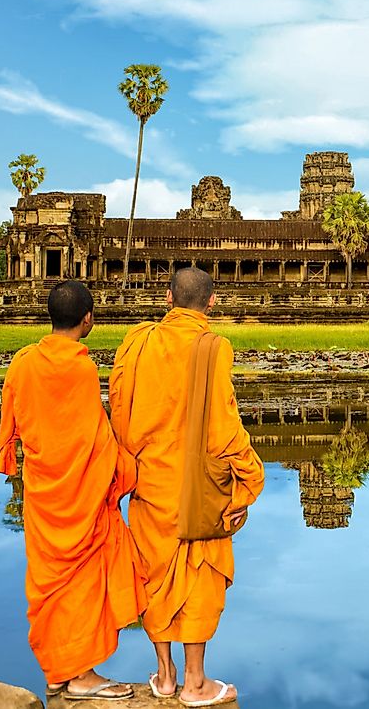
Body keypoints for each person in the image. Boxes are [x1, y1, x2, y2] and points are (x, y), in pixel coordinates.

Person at [109, 268, 264, 707]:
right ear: (212, 302)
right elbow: (223, 426)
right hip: (196, 487)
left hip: (148, 479)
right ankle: (195, 682)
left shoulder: (137, 342)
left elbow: (119, 407)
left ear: (168, 296)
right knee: (197, 572)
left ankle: (164, 673)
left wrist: (130, 463)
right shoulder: (212, 347)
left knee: (155, 571)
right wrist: (250, 478)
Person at [0, 280, 145, 701]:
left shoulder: (23, 362)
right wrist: (127, 468)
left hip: (44, 492)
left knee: (51, 583)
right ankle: (79, 675)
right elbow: (93, 438)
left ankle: (60, 671)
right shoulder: (81, 369)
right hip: (79, 496)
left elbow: (14, 423)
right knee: (81, 581)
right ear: (88, 319)